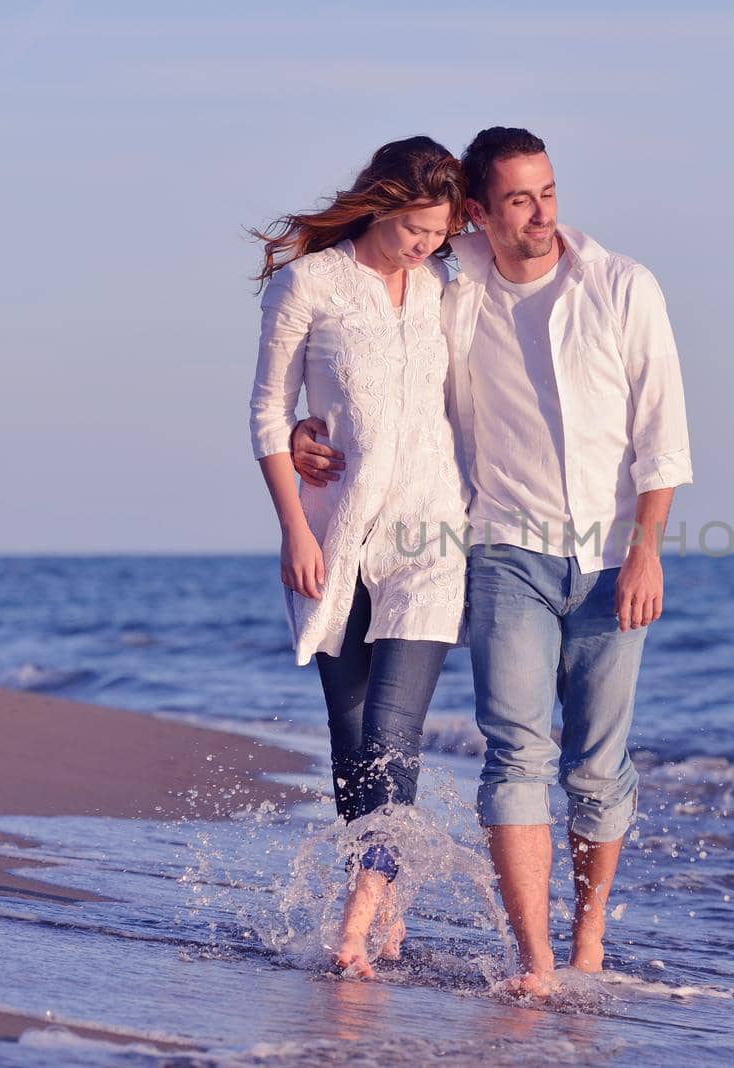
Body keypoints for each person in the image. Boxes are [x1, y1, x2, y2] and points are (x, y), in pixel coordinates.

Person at [291, 127, 692, 995]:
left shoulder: (623, 286)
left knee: (597, 765)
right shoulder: (453, 274)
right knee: (515, 752)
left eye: (548, 192)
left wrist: (648, 552)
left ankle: (587, 944)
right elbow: (373, 351)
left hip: (612, 556)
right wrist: (303, 427)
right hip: (503, 548)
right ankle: (536, 964)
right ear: (481, 211)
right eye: (518, 199)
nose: (542, 213)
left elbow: (664, 438)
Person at [247, 135, 470, 979]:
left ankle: (357, 919)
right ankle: (383, 897)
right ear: (381, 203)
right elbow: (271, 413)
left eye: (438, 233)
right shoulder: (309, 284)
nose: (424, 246)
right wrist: (292, 528)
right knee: (350, 742)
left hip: (432, 531)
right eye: (415, 228)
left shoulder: (447, 284)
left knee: (391, 731)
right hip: (335, 533)